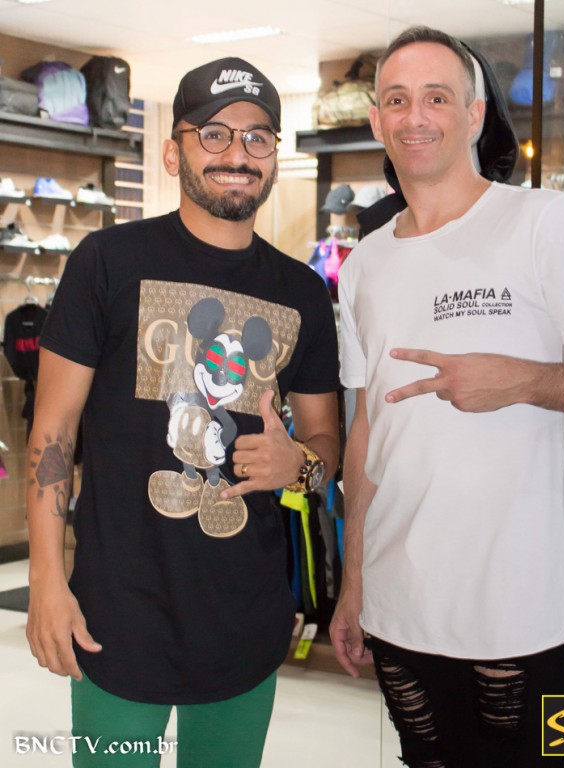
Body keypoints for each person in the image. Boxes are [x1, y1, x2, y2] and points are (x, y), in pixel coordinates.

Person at [329, 26, 564, 768]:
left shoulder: (542, 222)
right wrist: (352, 582)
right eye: (396, 100)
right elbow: (366, 432)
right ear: (376, 119)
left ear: (474, 114)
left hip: (516, 600)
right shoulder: (364, 265)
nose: (415, 116)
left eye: (436, 97)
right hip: (398, 596)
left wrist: (521, 380)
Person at [26, 56, 340, 768]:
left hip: (245, 621)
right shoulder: (106, 261)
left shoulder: (301, 292)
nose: (237, 153)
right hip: (116, 617)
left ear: (274, 156)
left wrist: (300, 464)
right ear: (174, 152)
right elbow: (53, 432)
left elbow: (327, 442)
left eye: (257, 137)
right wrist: (46, 578)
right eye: (214, 134)